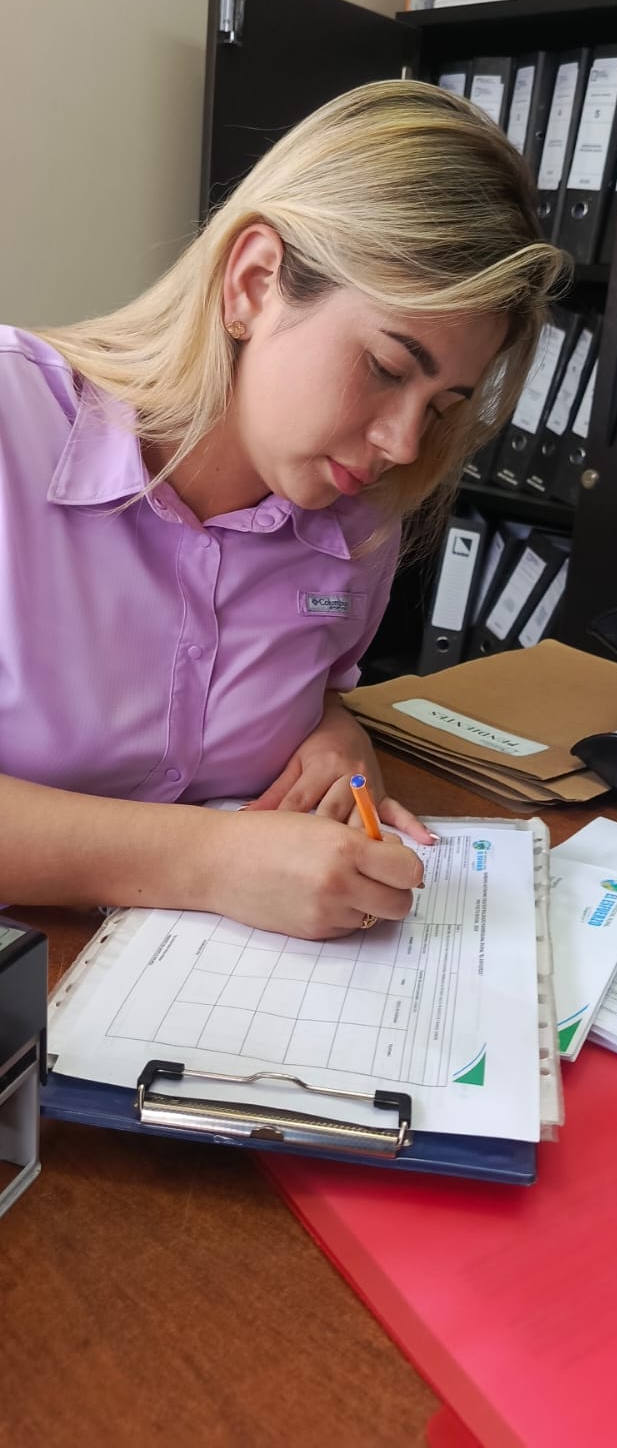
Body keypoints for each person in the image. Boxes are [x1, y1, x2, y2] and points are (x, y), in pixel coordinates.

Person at [0, 79, 565, 938]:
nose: (403, 443)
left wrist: (332, 735)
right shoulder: (13, 422)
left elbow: (279, 679)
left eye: (442, 406)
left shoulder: (362, 513)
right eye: (386, 367)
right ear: (254, 282)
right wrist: (212, 861)